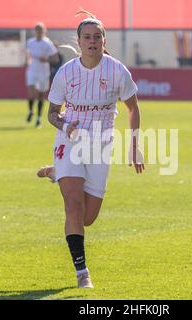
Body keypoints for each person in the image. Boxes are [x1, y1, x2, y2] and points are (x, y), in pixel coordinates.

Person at [37, 10, 145, 288]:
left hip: (100, 145)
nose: (92, 42)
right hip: (69, 142)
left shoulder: (117, 70)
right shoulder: (66, 72)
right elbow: (52, 114)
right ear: (79, 41)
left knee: (88, 217)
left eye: (97, 37)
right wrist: (66, 127)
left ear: (103, 40)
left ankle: (56, 172)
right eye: (87, 37)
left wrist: (135, 146)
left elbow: (133, 108)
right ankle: (82, 273)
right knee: (73, 206)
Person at [26, 22, 60, 128]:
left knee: (41, 95)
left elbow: (55, 58)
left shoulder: (47, 43)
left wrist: (46, 59)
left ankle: (38, 118)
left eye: (41, 30)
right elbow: (28, 55)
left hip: (43, 72)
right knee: (31, 92)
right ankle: (31, 111)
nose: (39, 32)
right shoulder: (30, 42)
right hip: (32, 70)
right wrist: (28, 61)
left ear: (44, 31)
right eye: (37, 30)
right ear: (35, 31)